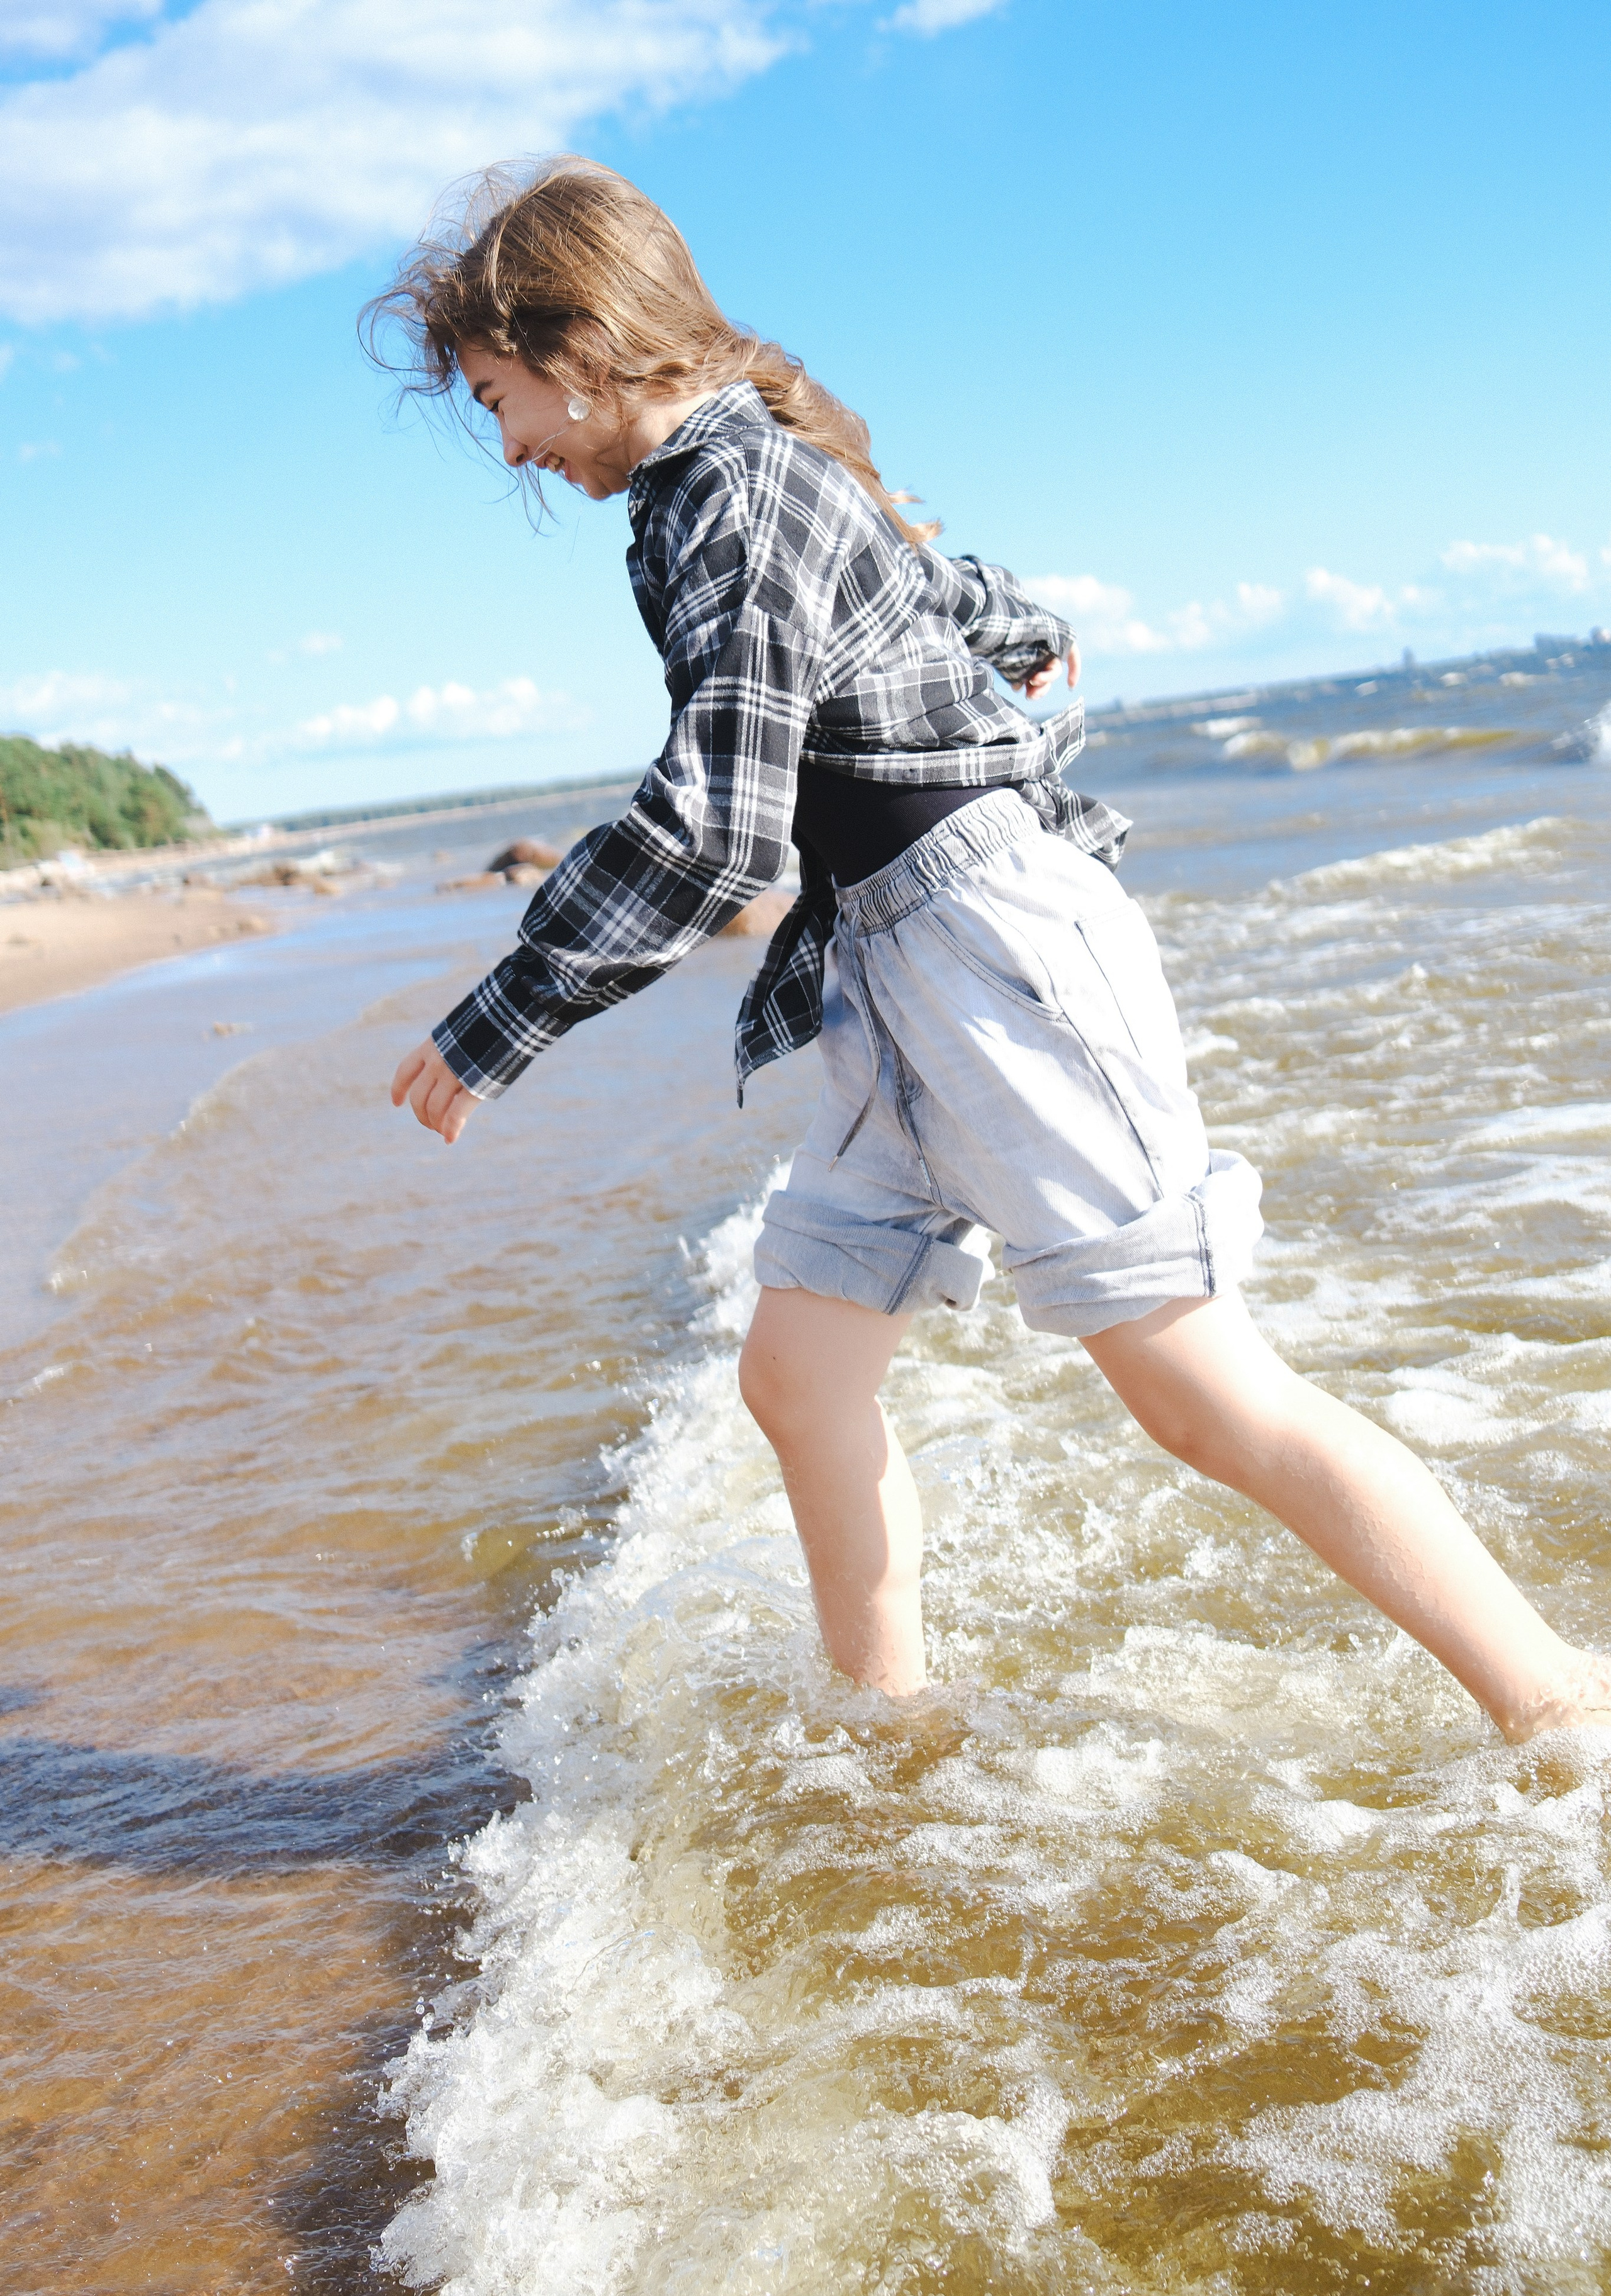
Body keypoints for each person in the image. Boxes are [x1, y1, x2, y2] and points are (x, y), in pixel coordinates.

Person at [378, 155, 1607, 1740]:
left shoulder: (734, 498)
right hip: (888, 971)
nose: (511, 444)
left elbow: (712, 830)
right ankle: (893, 1743)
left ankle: (1557, 1716)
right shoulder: (725, 491)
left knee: (1201, 1396)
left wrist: (499, 1021)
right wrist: (1011, 624)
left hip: (987, 952)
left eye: (500, 397)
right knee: (797, 1380)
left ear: (587, 341)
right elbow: (917, 595)